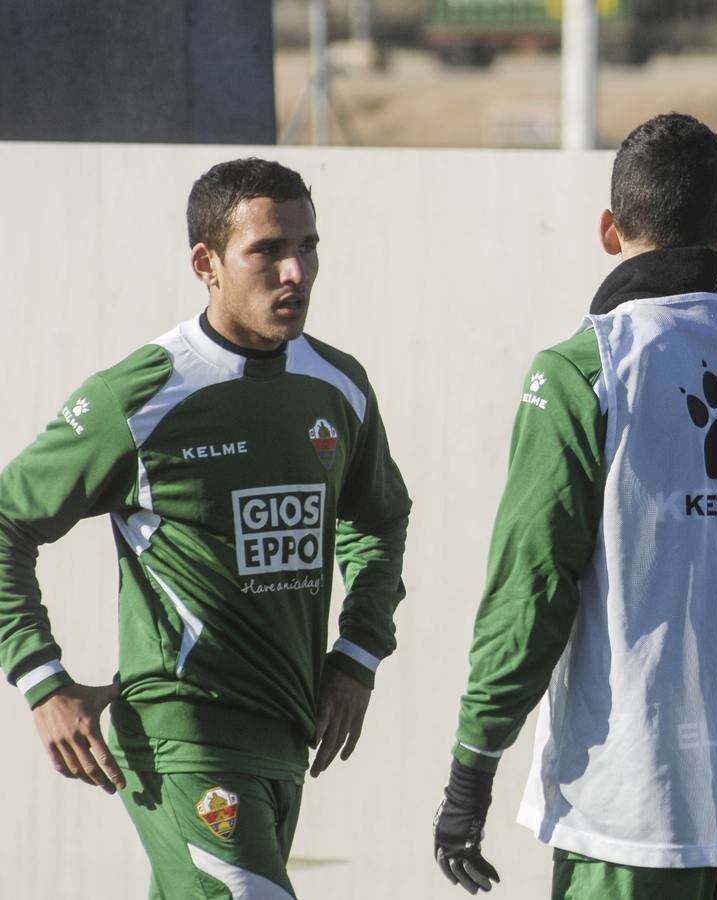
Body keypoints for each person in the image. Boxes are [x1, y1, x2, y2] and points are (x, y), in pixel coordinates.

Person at [432, 112, 717, 899]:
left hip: (625, 811)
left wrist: (470, 772)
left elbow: (529, 592)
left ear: (607, 229)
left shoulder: (581, 371)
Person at [0, 158, 412, 898]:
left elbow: (379, 517)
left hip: (286, 734)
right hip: (182, 735)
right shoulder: (138, 396)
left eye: (309, 246)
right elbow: (5, 523)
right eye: (267, 251)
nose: (296, 271)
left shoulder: (338, 384)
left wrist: (356, 653)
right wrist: (41, 680)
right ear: (206, 264)